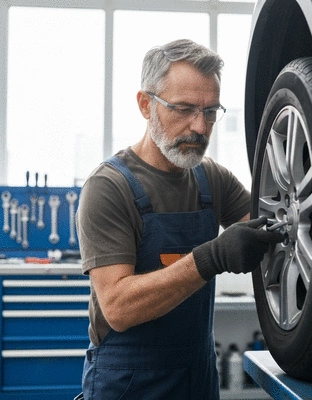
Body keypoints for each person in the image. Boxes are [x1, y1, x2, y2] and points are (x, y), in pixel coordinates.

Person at [75, 39, 283, 400]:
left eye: (211, 112)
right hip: (128, 384)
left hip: (197, 377)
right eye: (184, 109)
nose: (200, 127)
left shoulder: (211, 179)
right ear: (145, 104)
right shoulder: (108, 188)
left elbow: (272, 224)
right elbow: (118, 307)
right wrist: (211, 257)